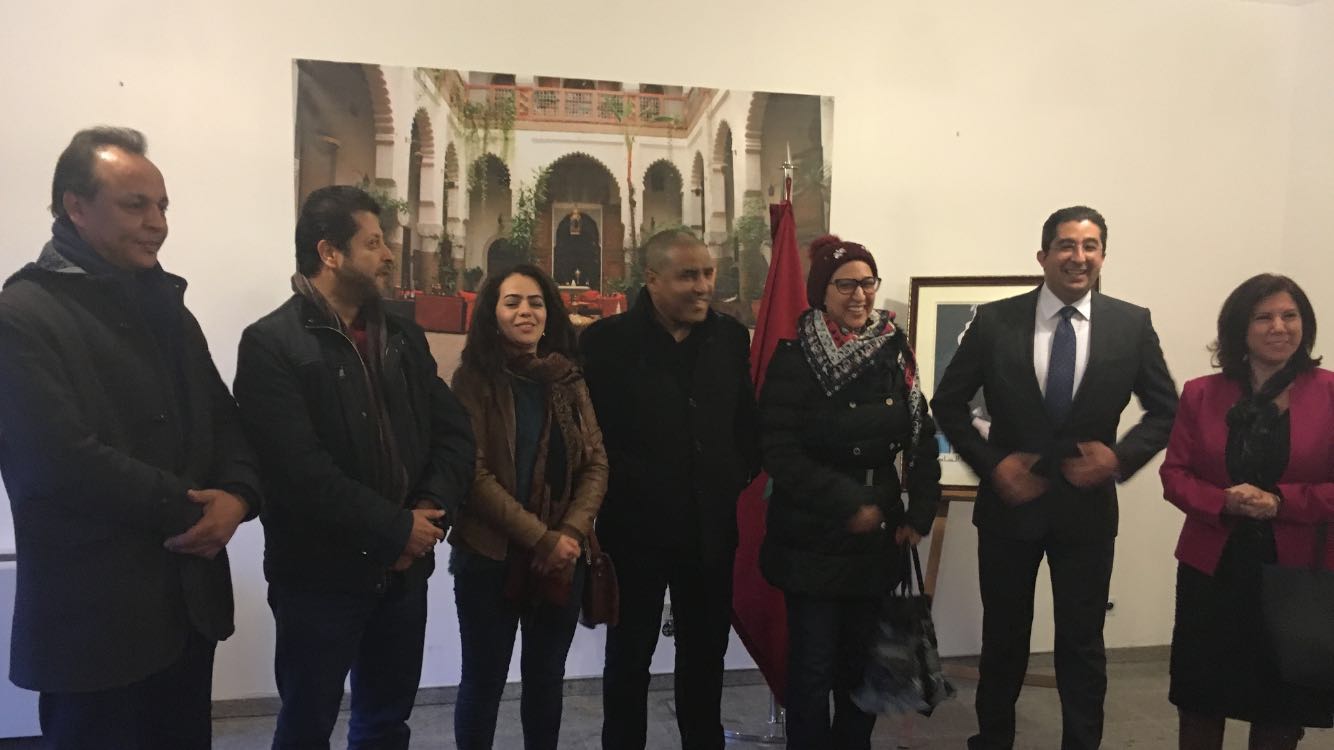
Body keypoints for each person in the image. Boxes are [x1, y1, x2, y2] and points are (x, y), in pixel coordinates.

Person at [0, 126, 261, 749]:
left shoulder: (169, 307)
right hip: (93, 625)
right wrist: (195, 510)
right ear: (76, 206)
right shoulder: (22, 315)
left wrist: (239, 497)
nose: (157, 223)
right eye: (135, 205)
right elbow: (58, 461)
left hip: (184, 610)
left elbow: (224, 419)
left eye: (162, 205)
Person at [233, 185, 475, 750]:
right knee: (306, 725)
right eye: (374, 243)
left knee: (385, 724)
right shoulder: (271, 344)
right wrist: (396, 528)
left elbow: (454, 434)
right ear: (330, 253)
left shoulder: (403, 337)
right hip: (318, 579)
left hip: (403, 575)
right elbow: (297, 470)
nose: (389, 255)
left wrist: (426, 512)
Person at [931, 205, 1178, 749]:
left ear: (1103, 256)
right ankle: (993, 740)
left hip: (1086, 511)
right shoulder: (994, 321)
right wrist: (993, 465)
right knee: (1003, 641)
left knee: (1083, 643)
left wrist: (1119, 459)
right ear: (1043, 255)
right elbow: (947, 403)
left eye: (1090, 246)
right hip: (1010, 505)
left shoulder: (1131, 324)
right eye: (1066, 245)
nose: (1078, 256)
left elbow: (1166, 410)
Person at [581, 228, 762, 750]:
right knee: (628, 661)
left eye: (707, 273)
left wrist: (731, 477)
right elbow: (590, 437)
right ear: (652, 278)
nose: (703, 286)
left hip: (710, 533)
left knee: (705, 660)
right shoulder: (605, 343)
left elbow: (744, 424)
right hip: (633, 533)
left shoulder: (730, 338)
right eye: (688, 276)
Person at [758, 234, 941, 749]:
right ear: (821, 291)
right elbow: (779, 451)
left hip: (877, 539)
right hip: (811, 536)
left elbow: (922, 437)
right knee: (813, 669)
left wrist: (920, 513)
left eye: (867, 282)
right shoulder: (795, 358)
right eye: (845, 285)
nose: (859, 295)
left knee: (863, 669)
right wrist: (848, 503)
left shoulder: (894, 349)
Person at [1160, 274, 1334, 750]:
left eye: (1290, 316)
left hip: (1296, 571)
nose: (1279, 327)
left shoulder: (1329, 393)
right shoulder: (1201, 393)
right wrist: (1222, 501)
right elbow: (1174, 475)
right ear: (1240, 328)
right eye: (1264, 317)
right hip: (1213, 570)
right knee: (1202, 699)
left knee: (1281, 705)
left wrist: (1281, 501)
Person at [448, 264, 608, 749]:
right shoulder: (473, 380)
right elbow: (473, 475)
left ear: (549, 312)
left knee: (546, 680)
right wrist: (541, 539)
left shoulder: (568, 379)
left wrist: (570, 535)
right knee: (483, 682)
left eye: (536, 302)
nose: (525, 312)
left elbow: (596, 463)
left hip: (563, 557)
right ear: (492, 314)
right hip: (490, 556)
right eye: (512, 302)